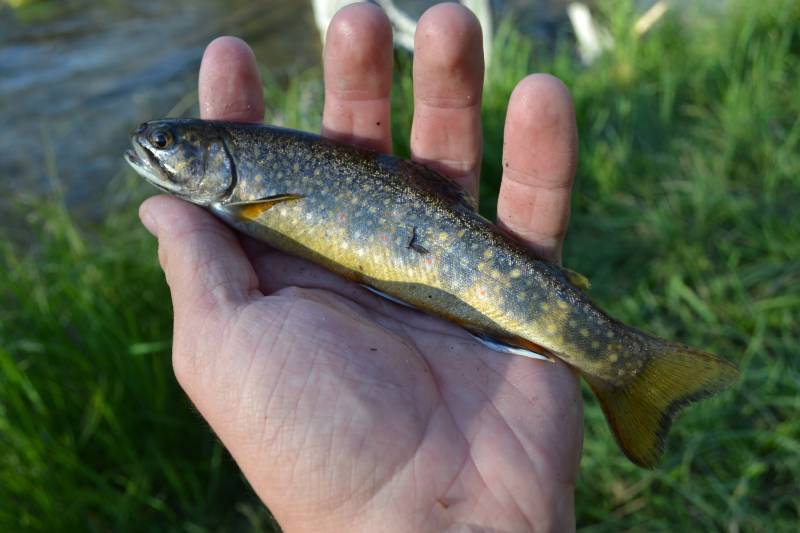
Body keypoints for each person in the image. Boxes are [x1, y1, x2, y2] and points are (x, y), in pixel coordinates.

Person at [139, 3, 582, 531]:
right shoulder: (235, 194)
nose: (154, 146)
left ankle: (615, 359)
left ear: (218, 155)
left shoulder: (241, 197)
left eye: (165, 143)